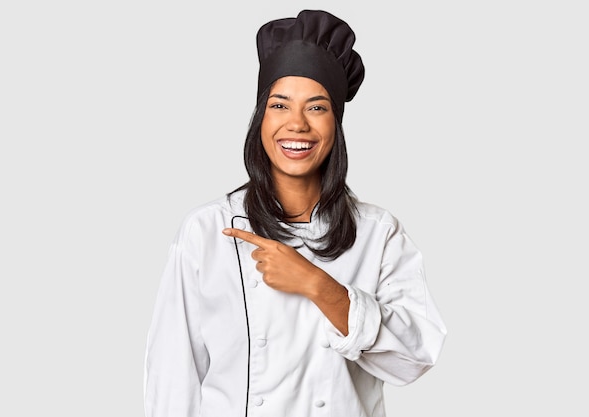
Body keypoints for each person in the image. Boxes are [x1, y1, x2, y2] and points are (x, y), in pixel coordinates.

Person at [144, 9, 446, 417]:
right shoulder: (207, 230)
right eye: (280, 105)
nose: (297, 124)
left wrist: (319, 286)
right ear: (260, 118)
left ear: (336, 123)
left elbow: (414, 358)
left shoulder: (379, 233)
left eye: (317, 108)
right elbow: (172, 374)